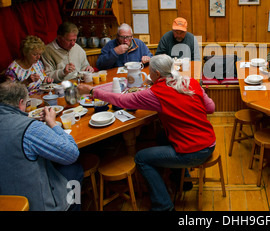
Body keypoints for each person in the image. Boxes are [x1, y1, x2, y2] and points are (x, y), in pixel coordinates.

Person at [77, 54, 216, 211]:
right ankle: (183, 179)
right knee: (162, 137)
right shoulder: (191, 81)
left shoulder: (156, 93)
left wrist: (92, 90)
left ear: (156, 73)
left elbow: (122, 100)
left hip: (194, 153)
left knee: (141, 158)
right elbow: (211, 108)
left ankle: (164, 206)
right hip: (209, 142)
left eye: (151, 72)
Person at [0, 80, 82, 211]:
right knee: (74, 168)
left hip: (5, 200)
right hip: (34, 203)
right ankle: (71, 206)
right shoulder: (28, 128)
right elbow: (72, 153)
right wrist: (52, 123)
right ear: (21, 103)